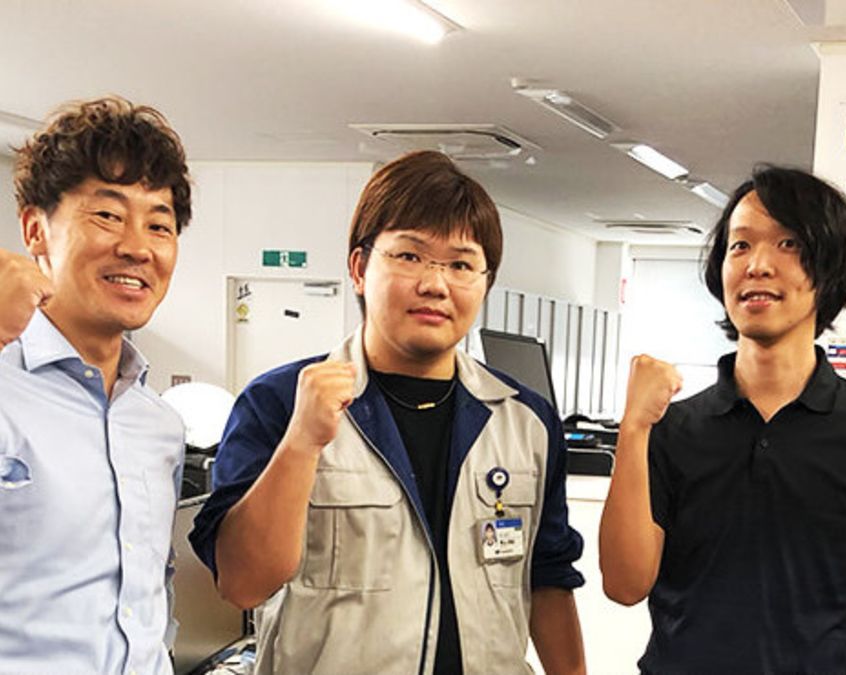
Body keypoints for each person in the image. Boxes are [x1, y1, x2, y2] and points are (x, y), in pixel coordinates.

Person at [189, 150, 586, 674]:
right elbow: (242, 584)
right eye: (410, 256)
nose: (435, 284)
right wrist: (302, 442)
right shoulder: (279, 402)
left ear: (485, 282)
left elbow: (548, 578)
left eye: (461, 264)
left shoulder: (524, 420)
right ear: (359, 268)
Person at [600, 165, 846, 674]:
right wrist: (634, 428)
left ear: (830, 268)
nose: (758, 265)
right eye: (740, 246)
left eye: (788, 244)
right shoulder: (673, 427)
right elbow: (624, 585)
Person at [0, 96, 192, 673]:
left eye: (159, 225)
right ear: (35, 229)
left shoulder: (160, 425)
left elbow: (147, 598)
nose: (137, 246)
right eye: (107, 215)